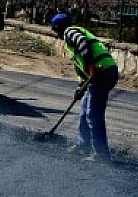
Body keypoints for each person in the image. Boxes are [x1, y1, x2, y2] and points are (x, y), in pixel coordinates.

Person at [50, 13, 119, 161]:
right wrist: (80, 88)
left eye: (56, 31)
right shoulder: (73, 47)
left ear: (59, 28)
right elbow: (82, 72)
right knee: (84, 111)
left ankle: (101, 154)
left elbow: (82, 42)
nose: (57, 34)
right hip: (101, 73)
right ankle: (83, 145)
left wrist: (90, 65)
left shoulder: (70, 32)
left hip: (103, 72)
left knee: (93, 114)